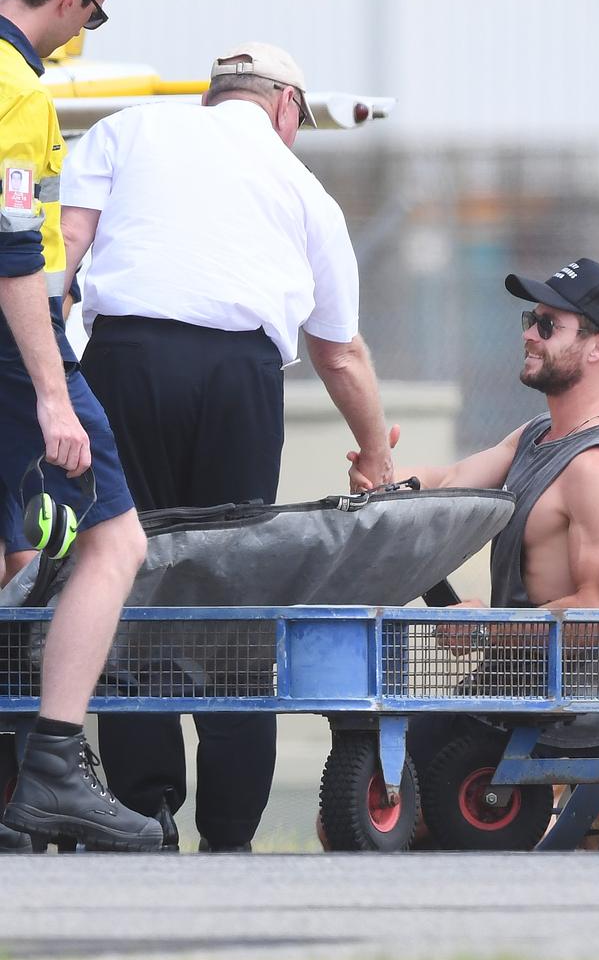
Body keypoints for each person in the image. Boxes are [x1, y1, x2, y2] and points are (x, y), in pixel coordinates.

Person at [60, 41, 394, 851]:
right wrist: (374, 455)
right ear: (285, 105)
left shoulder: (125, 131)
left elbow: (61, 258)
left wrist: (45, 381)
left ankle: (143, 814)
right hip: (240, 373)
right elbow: (338, 350)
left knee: (127, 569)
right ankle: (232, 829)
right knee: (237, 591)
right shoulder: (301, 188)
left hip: (125, 360)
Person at [348, 257, 599, 849]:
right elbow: (452, 479)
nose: (528, 334)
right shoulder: (538, 436)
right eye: (528, 319)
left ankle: (583, 825)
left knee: (373, 824)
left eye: (548, 325)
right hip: (507, 692)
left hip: (556, 711)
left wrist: (488, 628)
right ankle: (584, 833)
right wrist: (381, 475)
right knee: (358, 820)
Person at [0, 0, 162, 852]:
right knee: (114, 541)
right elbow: (13, 252)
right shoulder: (19, 92)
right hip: (15, 349)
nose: (81, 36)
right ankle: (54, 768)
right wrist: (55, 397)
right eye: (92, 18)